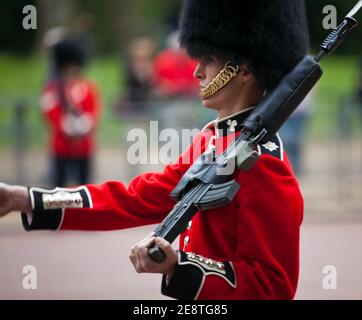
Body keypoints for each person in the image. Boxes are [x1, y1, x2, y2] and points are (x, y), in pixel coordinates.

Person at [0, 0, 308, 300]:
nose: (197, 72)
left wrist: (182, 267)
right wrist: (26, 199)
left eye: (209, 60)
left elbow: (272, 286)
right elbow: (135, 199)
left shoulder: (265, 164)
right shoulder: (213, 140)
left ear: (244, 71)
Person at [42, 39, 101, 187]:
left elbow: (94, 108)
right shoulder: (54, 87)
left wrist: (85, 124)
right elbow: (49, 110)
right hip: (62, 144)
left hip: (83, 145)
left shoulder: (87, 86)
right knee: (58, 186)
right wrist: (64, 125)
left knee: (84, 186)